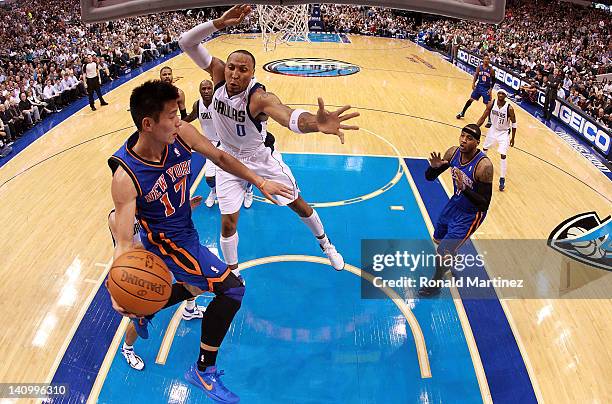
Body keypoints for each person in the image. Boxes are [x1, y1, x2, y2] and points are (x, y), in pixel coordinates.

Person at [108, 79, 292, 402]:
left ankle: (148, 307)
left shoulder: (181, 134)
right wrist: (119, 285)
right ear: (148, 124)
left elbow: (220, 158)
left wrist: (259, 181)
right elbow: (123, 241)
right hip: (167, 244)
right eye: (172, 115)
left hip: (186, 230)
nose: (180, 120)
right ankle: (202, 371)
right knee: (232, 289)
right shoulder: (126, 176)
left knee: (195, 287)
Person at [178, 5, 360, 278]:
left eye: (243, 70)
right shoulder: (216, 76)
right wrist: (217, 23)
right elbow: (186, 42)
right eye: (231, 67)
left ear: (253, 74)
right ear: (224, 68)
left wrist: (315, 124)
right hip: (228, 157)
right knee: (227, 224)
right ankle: (233, 274)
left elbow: (288, 116)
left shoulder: (259, 97)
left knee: (298, 204)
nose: (235, 74)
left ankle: (326, 244)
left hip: (260, 158)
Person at [107, 196, 206, 371]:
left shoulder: (153, 207)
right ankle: (127, 349)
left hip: (161, 257)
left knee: (196, 282)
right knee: (141, 318)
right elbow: (130, 252)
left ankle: (190, 310)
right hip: (139, 272)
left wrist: (185, 210)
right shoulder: (118, 217)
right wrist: (159, 237)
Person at [418, 124, 493, 297]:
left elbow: (484, 204)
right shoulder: (453, 153)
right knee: (438, 239)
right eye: (462, 136)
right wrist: (434, 168)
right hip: (454, 205)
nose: (463, 140)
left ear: (477, 142)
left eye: (469, 138)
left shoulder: (484, 166)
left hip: (471, 214)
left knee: (443, 251)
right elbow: (429, 178)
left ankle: (435, 285)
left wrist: (465, 189)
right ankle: (451, 254)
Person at [476, 90, 516, 191]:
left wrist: (513, 138)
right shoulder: (491, 104)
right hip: (493, 129)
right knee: (484, 148)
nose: (501, 95)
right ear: (497, 94)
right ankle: (478, 167)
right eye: (499, 93)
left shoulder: (509, 108)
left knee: (503, 154)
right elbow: (483, 116)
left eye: (503, 94)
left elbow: (514, 123)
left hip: (504, 132)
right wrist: (475, 128)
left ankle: (502, 178)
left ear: (505, 96)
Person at [456, 55, 494, 127]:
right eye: (485, 59)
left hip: (486, 88)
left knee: (488, 105)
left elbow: (494, 80)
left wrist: (491, 89)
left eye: (488, 59)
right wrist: (473, 83)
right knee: (470, 99)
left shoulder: (491, 70)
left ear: (489, 61)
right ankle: (462, 112)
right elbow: (476, 75)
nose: (486, 60)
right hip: (479, 86)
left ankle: (489, 120)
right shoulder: (479, 68)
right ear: (483, 60)